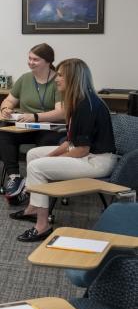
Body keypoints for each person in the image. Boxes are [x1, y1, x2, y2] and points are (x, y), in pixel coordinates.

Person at [12, 58, 118, 242]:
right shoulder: (78, 101)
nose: (56, 79)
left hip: (98, 161)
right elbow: (71, 141)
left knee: (37, 167)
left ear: (73, 78)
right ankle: (33, 208)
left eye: (60, 75)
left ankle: (42, 226)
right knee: (33, 154)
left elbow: (82, 150)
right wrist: (50, 156)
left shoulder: (87, 106)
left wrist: (49, 161)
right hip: (86, 154)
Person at [0, 43, 64, 202]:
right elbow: (8, 100)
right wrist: (5, 108)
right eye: (29, 58)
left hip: (49, 128)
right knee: (4, 134)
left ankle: (33, 182)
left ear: (48, 62)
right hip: (25, 127)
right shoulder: (25, 78)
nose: (31, 62)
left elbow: (60, 112)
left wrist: (35, 117)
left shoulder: (58, 81)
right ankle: (14, 177)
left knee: (47, 142)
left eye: (36, 59)